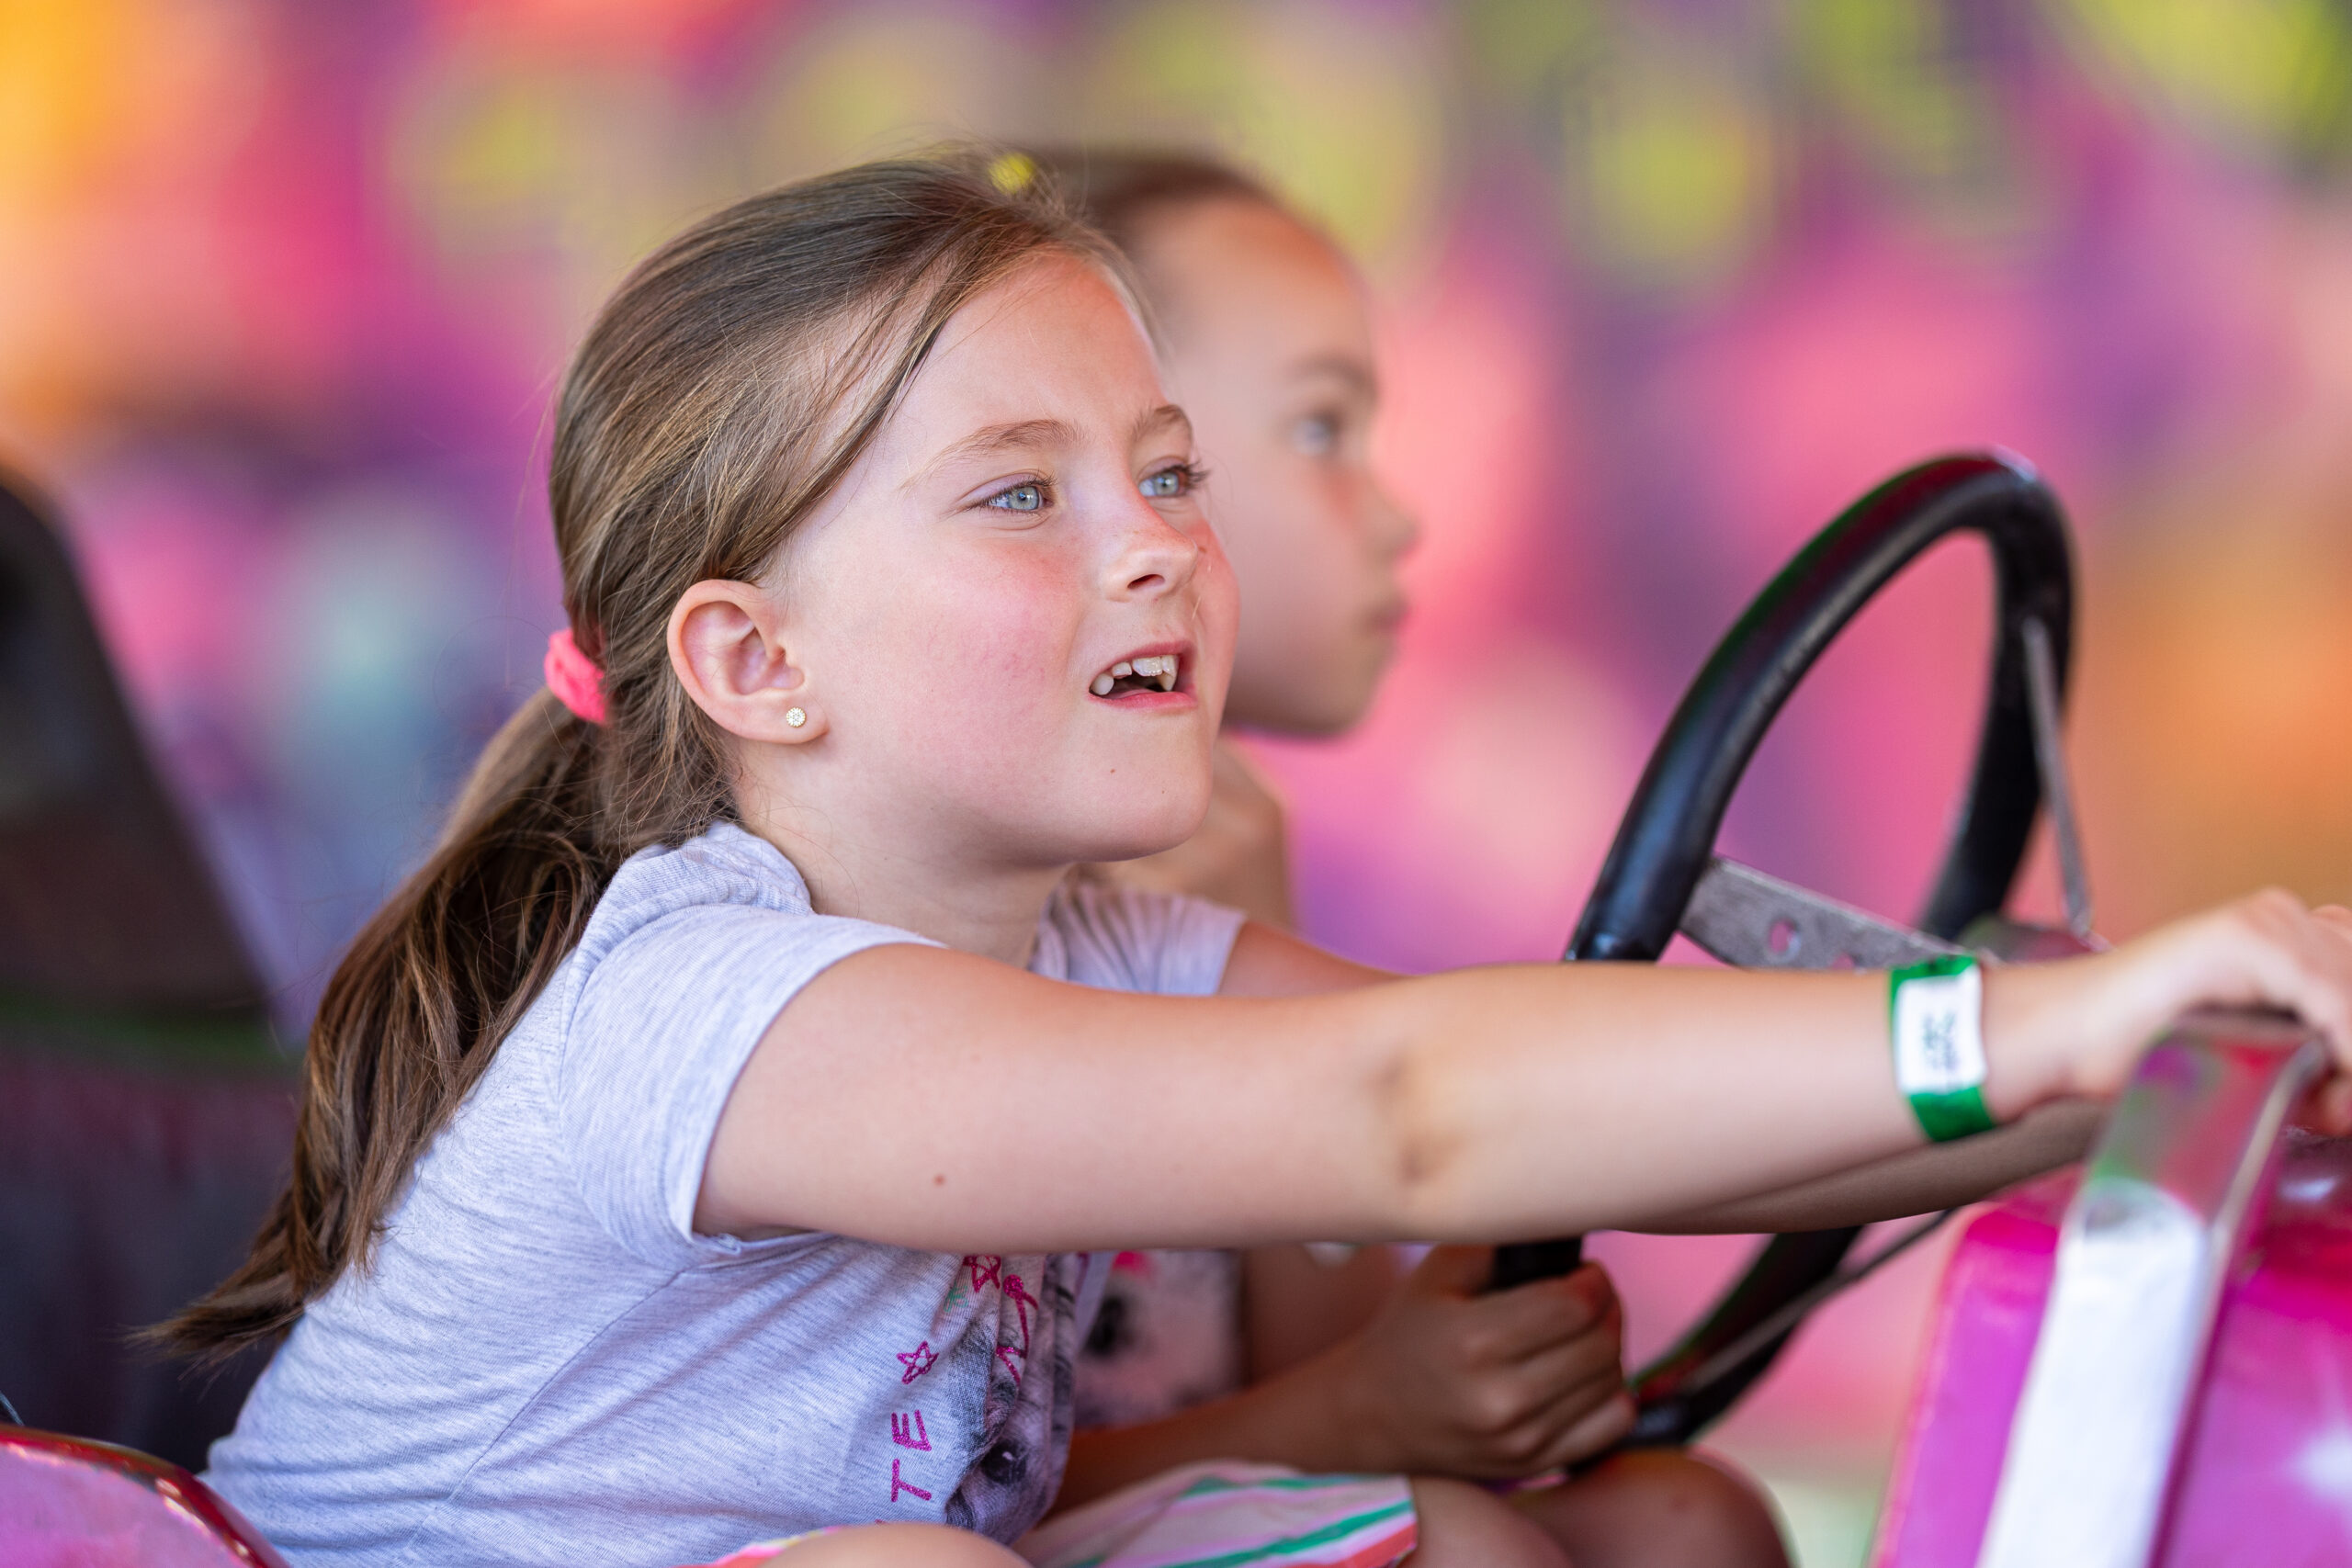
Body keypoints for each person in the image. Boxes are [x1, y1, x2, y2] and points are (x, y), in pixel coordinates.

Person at [168, 152, 2352, 1568]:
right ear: (754, 662)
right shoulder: (716, 1004)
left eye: (1167, 472)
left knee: (1592, 1531)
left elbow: (1547, 1100)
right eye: (1020, 496)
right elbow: (1411, 1111)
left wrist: (2162, 1072)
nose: (1154, 546)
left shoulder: (1101, 941)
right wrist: (2038, 1015)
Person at [1037, 151, 1784, 1567]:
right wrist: (1362, 1413)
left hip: (1203, 1494)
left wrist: (1418, 1376)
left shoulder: (1235, 847)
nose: (1397, 515)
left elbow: (1307, 1350)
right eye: (1322, 430)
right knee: (1464, 1544)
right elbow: (934, 1491)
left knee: (1688, 1522)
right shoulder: (974, 896)